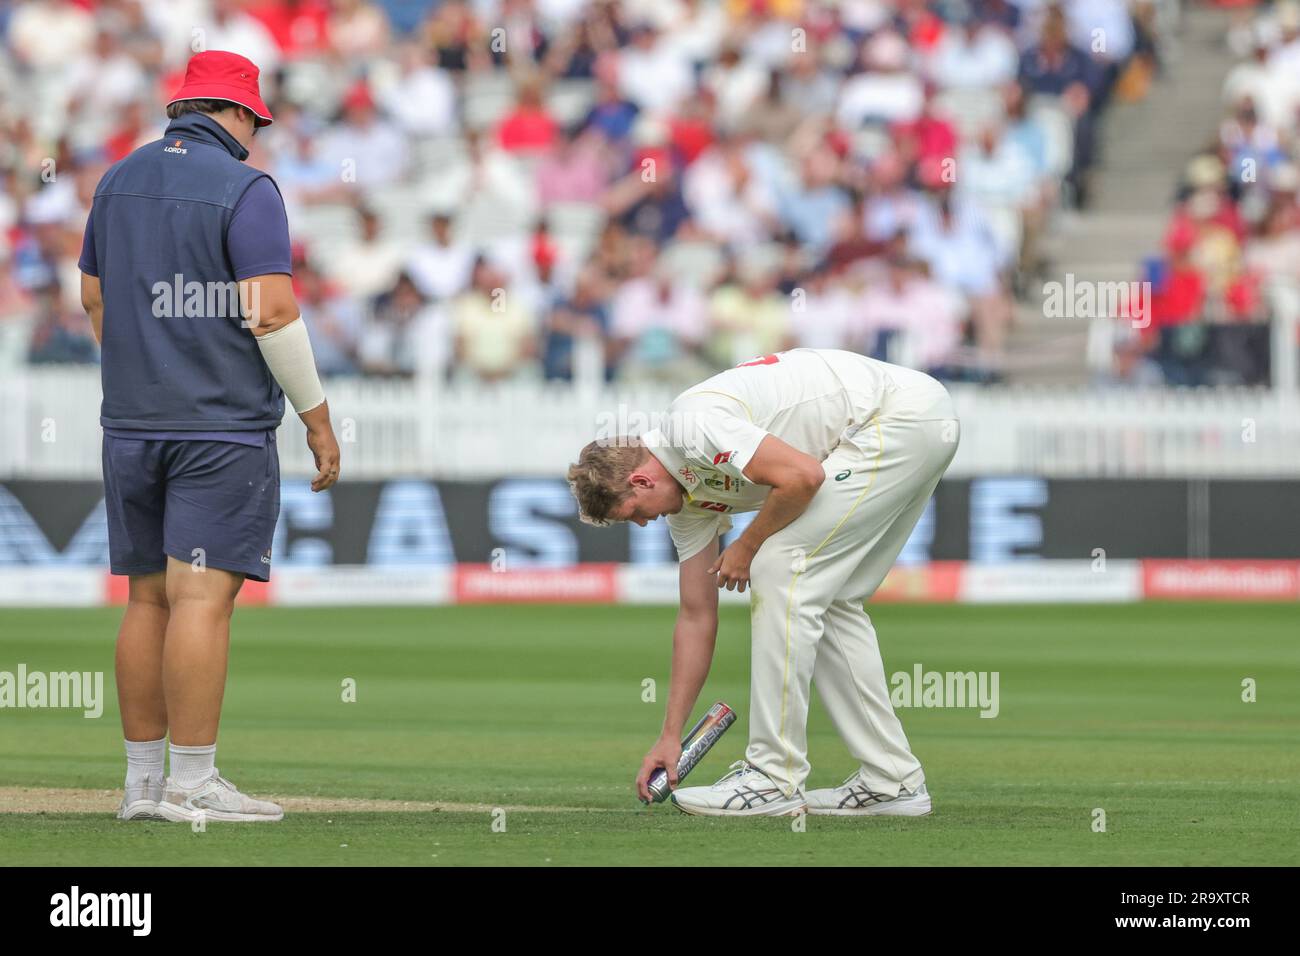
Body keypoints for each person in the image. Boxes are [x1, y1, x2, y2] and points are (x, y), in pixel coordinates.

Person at [78, 50, 340, 823]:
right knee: (202, 598)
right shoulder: (246, 186)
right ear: (239, 115)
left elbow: (93, 295)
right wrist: (318, 418)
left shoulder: (116, 179)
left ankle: (140, 785)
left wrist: (140, 368)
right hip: (219, 428)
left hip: (130, 423)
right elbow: (273, 311)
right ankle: (192, 782)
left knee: (146, 598)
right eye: (253, 122)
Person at [566, 349, 958, 816]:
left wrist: (747, 546)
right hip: (913, 424)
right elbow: (696, 615)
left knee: (778, 566)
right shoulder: (688, 502)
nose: (644, 525)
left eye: (632, 514)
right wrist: (671, 735)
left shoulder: (690, 426)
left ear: (641, 481)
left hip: (899, 415)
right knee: (832, 600)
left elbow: (802, 476)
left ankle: (773, 777)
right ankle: (892, 781)